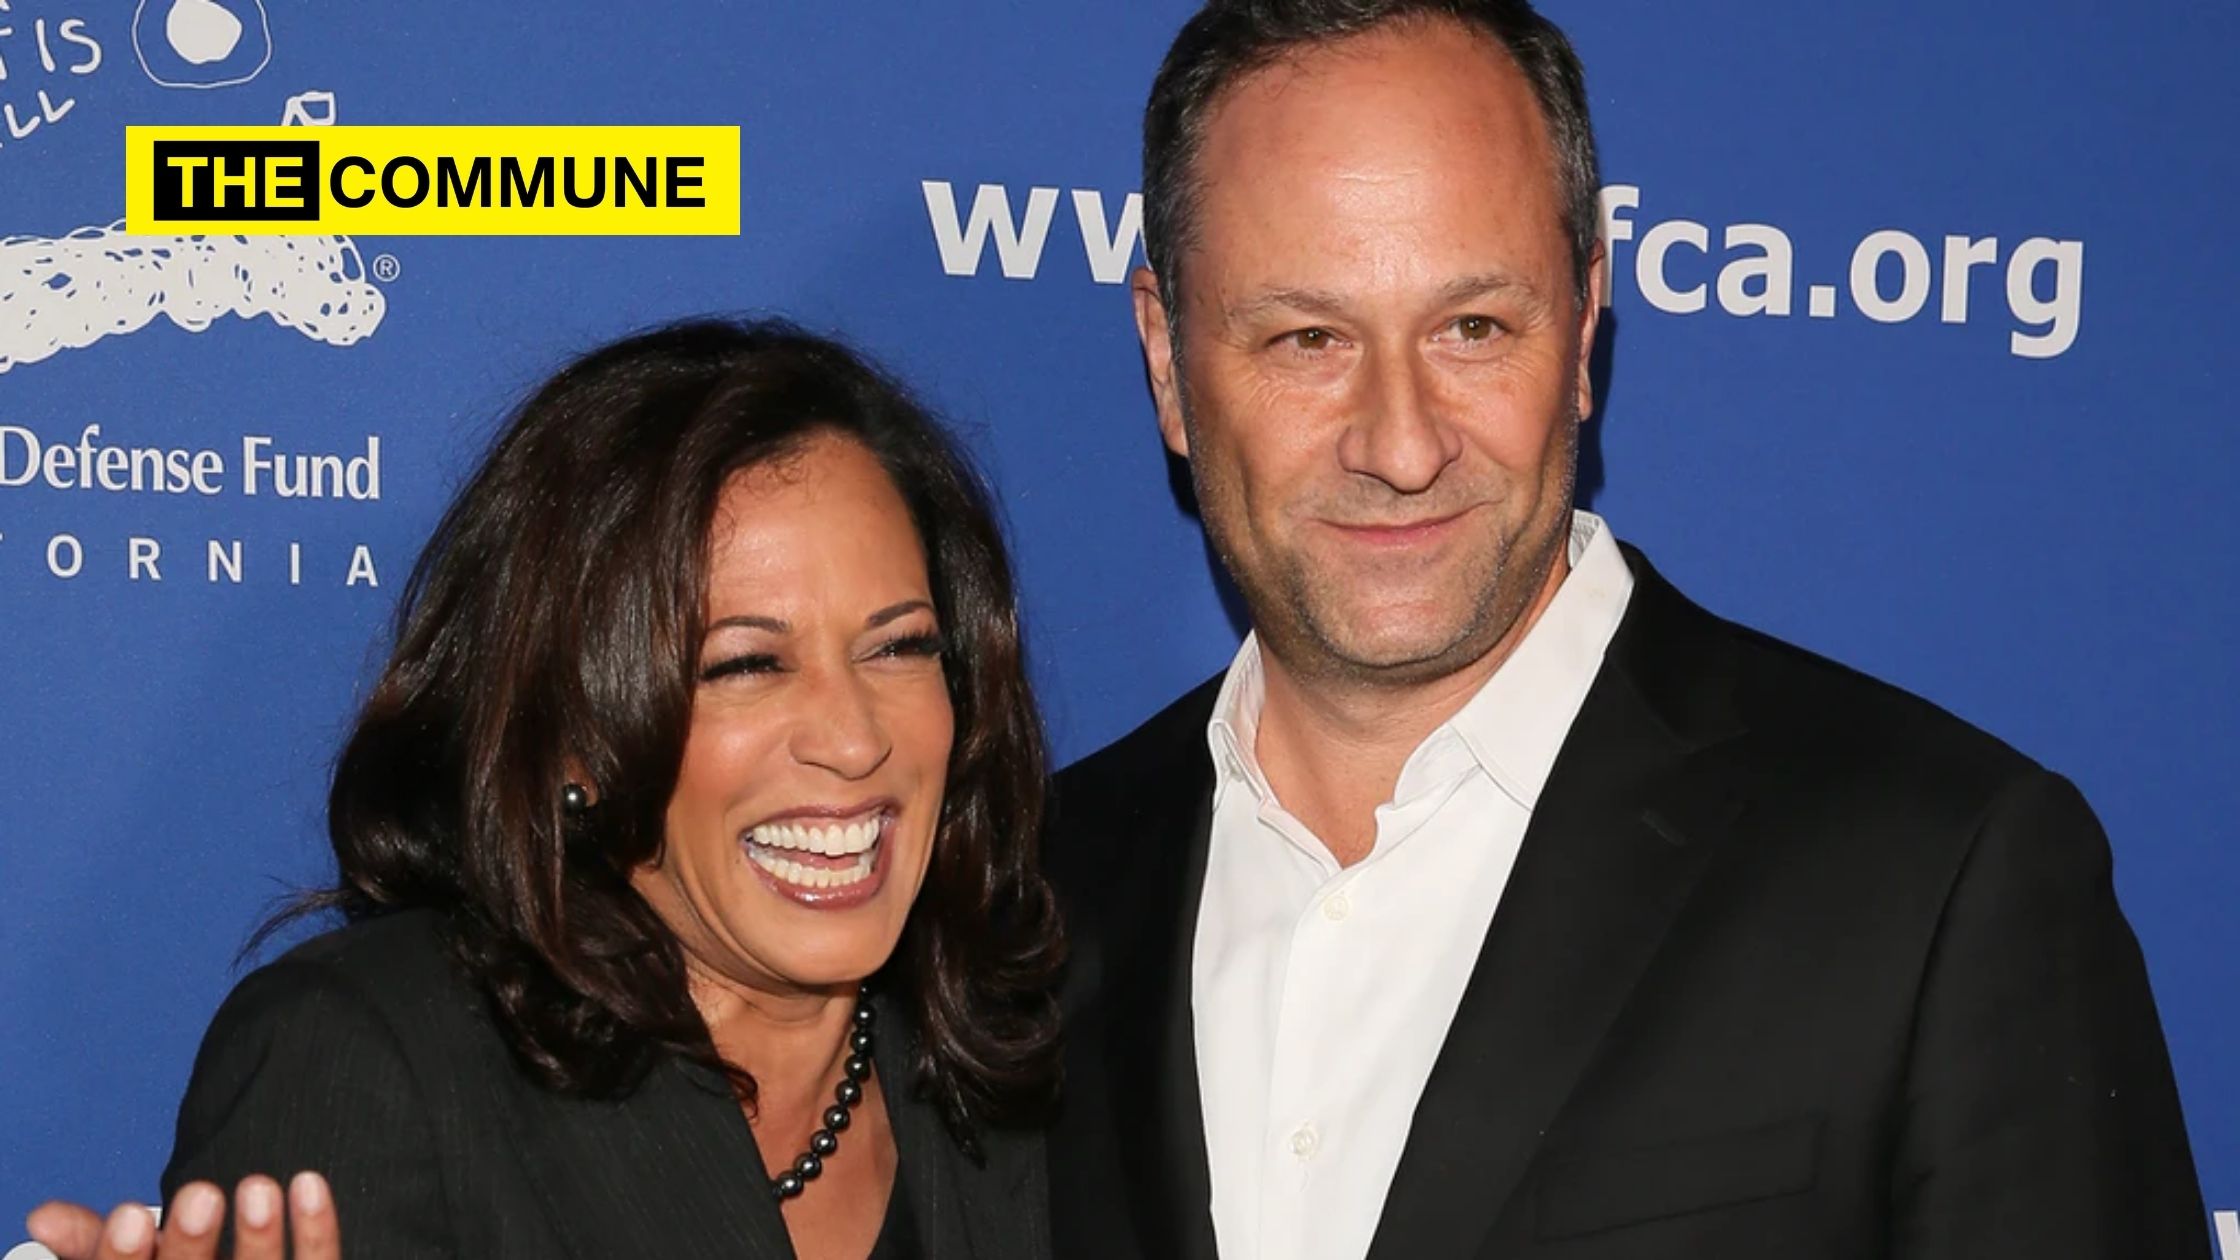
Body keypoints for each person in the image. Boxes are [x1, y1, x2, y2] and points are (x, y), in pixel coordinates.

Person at [1042, 3, 2210, 1258]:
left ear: (1584, 324)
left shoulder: (1938, 880)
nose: (1400, 444)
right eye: (1307, 338)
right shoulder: (1029, 890)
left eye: (1472, 328)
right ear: (1165, 359)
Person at [28, 320, 1064, 1260]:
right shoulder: (376, 1061)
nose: (852, 739)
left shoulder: (1016, 1067)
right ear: (570, 735)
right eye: (745, 664)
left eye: (899, 647)